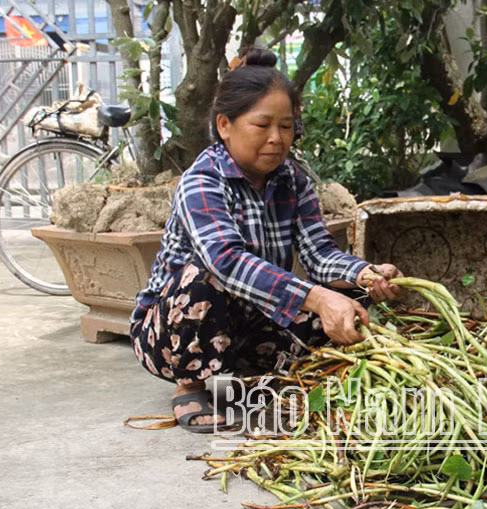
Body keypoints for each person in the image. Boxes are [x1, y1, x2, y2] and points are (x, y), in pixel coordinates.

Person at [129, 48, 404, 433]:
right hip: (172, 330)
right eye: (262, 125)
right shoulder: (202, 181)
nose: (277, 139)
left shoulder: (294, 181)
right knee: (202, 277)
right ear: (225, 125)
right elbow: (226, 261)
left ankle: (243, 372)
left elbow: (319, 253)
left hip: (251, 318)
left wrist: (364, 275)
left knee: (349, 301)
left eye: (286, 126)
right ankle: (189, 384)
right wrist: (318, 298)